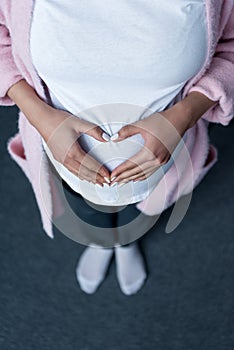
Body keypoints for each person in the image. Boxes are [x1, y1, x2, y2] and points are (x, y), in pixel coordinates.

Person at [1, 1, 233, 295]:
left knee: (143, 210)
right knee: (86, 207)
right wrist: (40, 117)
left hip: (164, 166)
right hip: (67, 163)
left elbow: (230, 48)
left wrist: (185, 115)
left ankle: (125, 241)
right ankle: (102, 240)